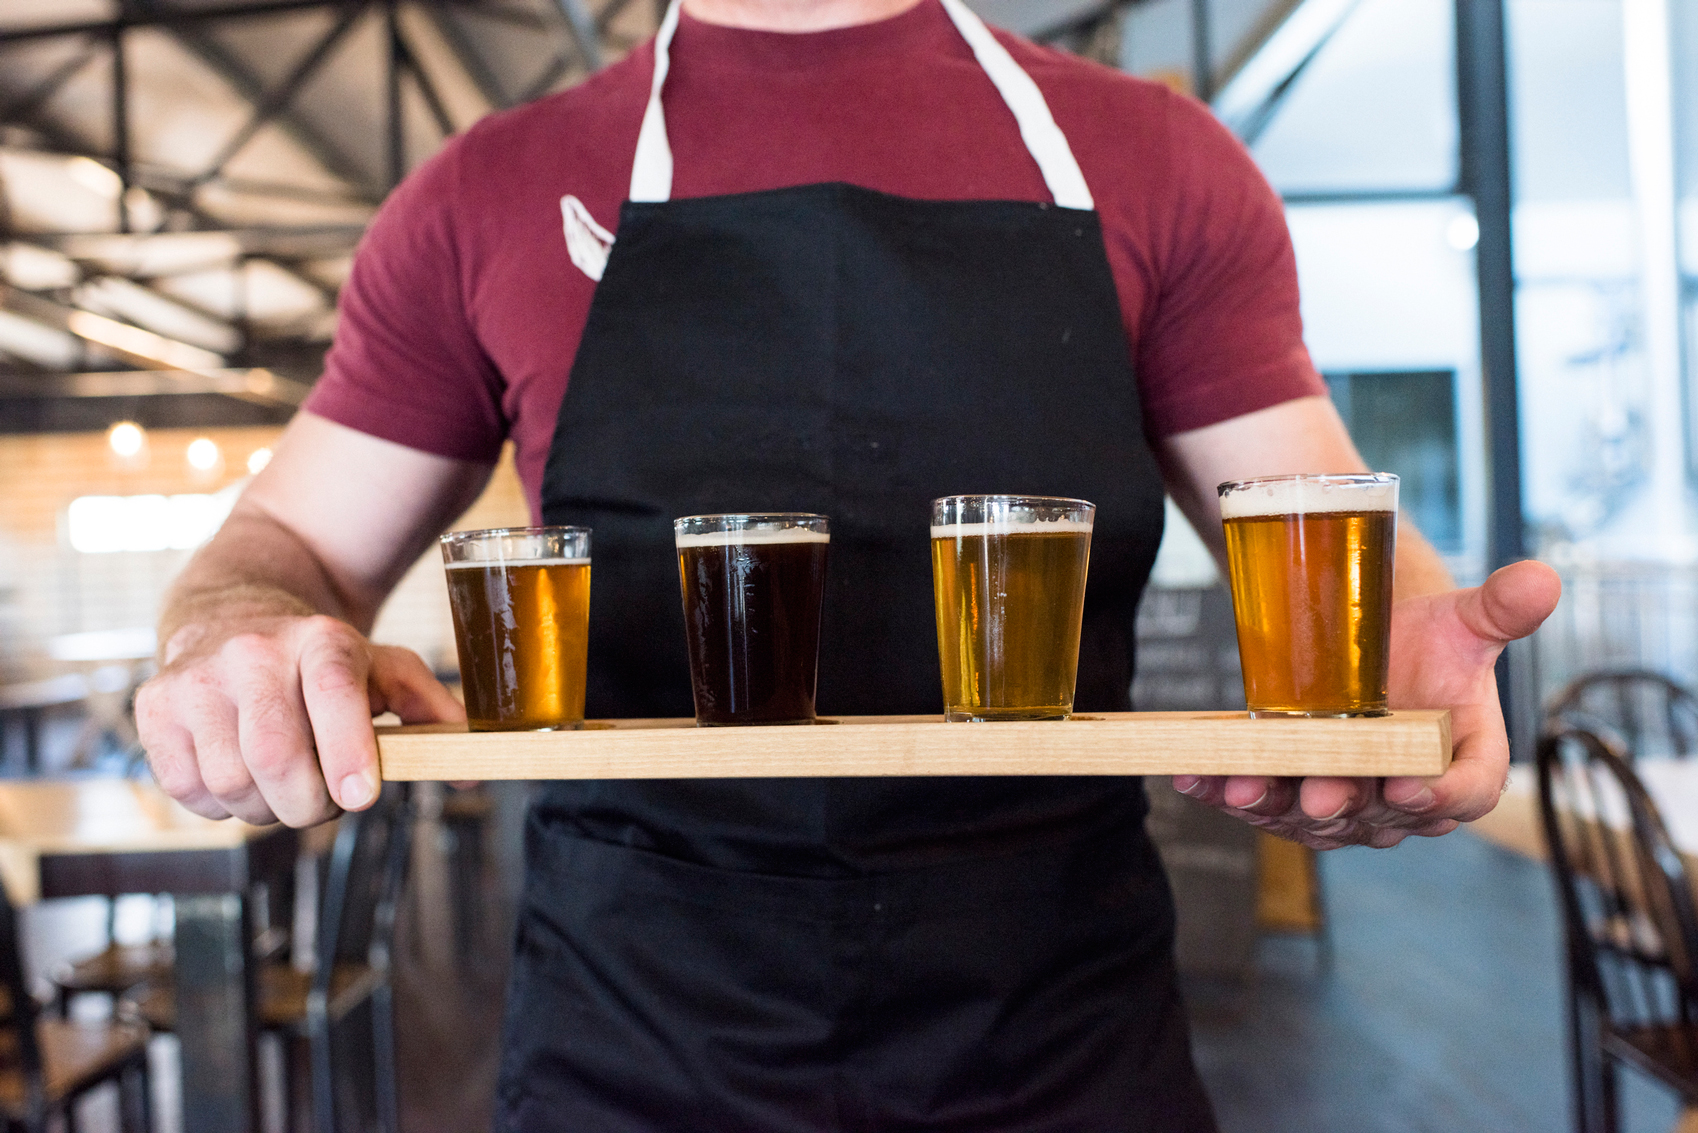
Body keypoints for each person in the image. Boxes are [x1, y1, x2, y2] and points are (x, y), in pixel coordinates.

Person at [134, 0, 1562, 1125]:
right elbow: (285, 551)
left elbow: (1317, 526)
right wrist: (235, 633)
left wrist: (1395, 654)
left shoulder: (1158, 162)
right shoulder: (482, 193)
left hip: (1056, 1042)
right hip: (632, 1045)